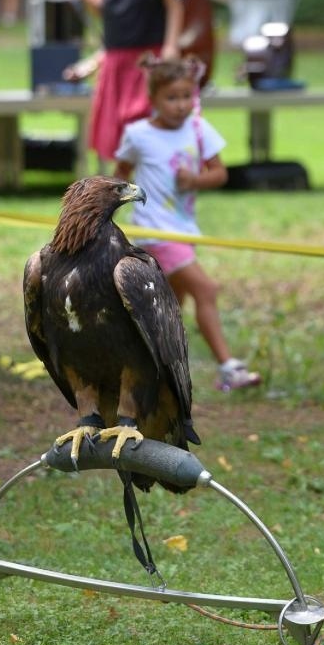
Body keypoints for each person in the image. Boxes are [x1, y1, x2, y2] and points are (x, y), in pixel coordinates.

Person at [114, 56, 262, 393]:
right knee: (206, 290)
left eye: (186, 97)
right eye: (172, 97)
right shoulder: (137, 135)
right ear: (153, 99)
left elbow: (220, 174)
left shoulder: (198, 129)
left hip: (184, 230)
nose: (181, 105)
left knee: (170, 306)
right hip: (155, 232)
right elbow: (118, 175)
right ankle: (229, 369)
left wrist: (194, 180)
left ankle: (149, 370)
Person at [79, 0, 184, 166]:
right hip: (116, 58)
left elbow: (174, 5)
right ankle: (117, 192)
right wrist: (90, 1)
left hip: (148, 56)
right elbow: (107, 11)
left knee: (145, 122)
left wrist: (171, 46)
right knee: (116, 134)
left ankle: (159, 184)